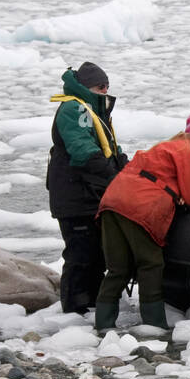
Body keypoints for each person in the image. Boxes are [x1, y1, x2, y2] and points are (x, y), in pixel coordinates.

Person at [91, 105, 190, 331]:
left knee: (118, 268)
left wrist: (176, 191)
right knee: (150, 263)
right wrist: (183, 195)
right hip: (139, 207)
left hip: (112, 202)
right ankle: (154, 325)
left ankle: (103, 325)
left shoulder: (165, 146)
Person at [47, 62, 126, 316]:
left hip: (90, 196)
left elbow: (110, 150)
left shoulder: (93, 110)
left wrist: (129, 170)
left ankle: (92, 303)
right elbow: (83, 151)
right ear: (86, 87)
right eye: (100, 86)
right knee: (80, 255)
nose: (105, 90)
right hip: (76, 198)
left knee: (96, 254)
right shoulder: (74, 108)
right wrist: (114, 176)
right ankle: (74, 310)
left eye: (107, 86)